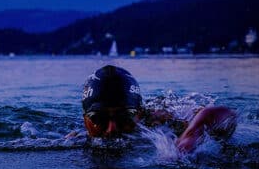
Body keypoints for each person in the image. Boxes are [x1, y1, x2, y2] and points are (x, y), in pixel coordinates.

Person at [80, 65, 236, 153]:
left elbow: (224, 115)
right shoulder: (74, 140)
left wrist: (191, 135)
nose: (111, 129)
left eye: (124, 116)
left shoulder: (160, 119)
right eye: (99, 118)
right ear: (86, 120)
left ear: (139, 113)